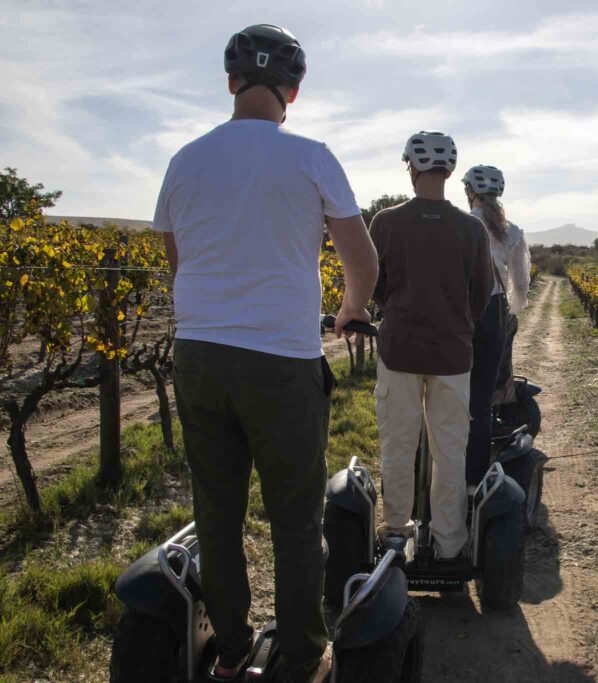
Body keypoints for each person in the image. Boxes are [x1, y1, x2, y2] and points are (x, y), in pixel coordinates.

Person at [155, 24, 377, 683]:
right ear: (293, 92)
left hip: (198, 356)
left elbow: (177, 260)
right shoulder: (312, 157)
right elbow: (362, 261)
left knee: (216, 512)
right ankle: (305, 657)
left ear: (230, 82)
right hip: (282, 361)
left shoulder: (183, 160)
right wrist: (351, 308)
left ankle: (229, 651)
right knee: (295, 517)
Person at [370, 131, 493, 564]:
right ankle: (450, 543)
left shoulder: (385, 222)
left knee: (398, 446)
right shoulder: (471, 228)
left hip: (399, 351)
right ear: (450, 171)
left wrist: (398, 310)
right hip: (452, 355)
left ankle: (395, 535)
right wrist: (454, 321)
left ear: (411, 167)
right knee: (450, 452)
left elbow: (376, 287)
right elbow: (481, 295)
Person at [461, 165, 531, 487]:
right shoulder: (512, 232)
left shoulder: (461, 224)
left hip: (458, 313)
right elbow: (521, 283)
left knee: (449, 391)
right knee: (481, 396)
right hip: (492, 314)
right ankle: (474, 478)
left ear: (469, 192)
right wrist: (510, 313)